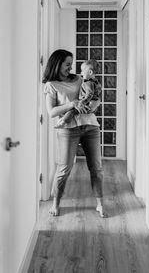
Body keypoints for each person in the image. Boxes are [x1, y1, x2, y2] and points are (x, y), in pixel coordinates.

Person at [43, 49, 106, 218]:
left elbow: (94, 94)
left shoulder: (79, 79)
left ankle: (100, 204)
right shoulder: (51, 85)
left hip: (90, 126)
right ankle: (56, 203)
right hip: (68, 130)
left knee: (96, 168)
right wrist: (73, 104)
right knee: (64, 169)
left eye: (71, 64)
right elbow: (51, 112)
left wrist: (94, 104)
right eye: (67, 64)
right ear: (57, 64)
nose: (70, 67)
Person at [54, 59, 102, 128]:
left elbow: (89, 95)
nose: (81, 73)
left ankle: (63, 122)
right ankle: (63, 121)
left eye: (83, 71)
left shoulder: (88, 83)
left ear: (90, 72)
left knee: (71, 112)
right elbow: (98, 92)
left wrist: (82, 102)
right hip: (91, 105)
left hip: (87, 104)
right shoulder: (96, 82)